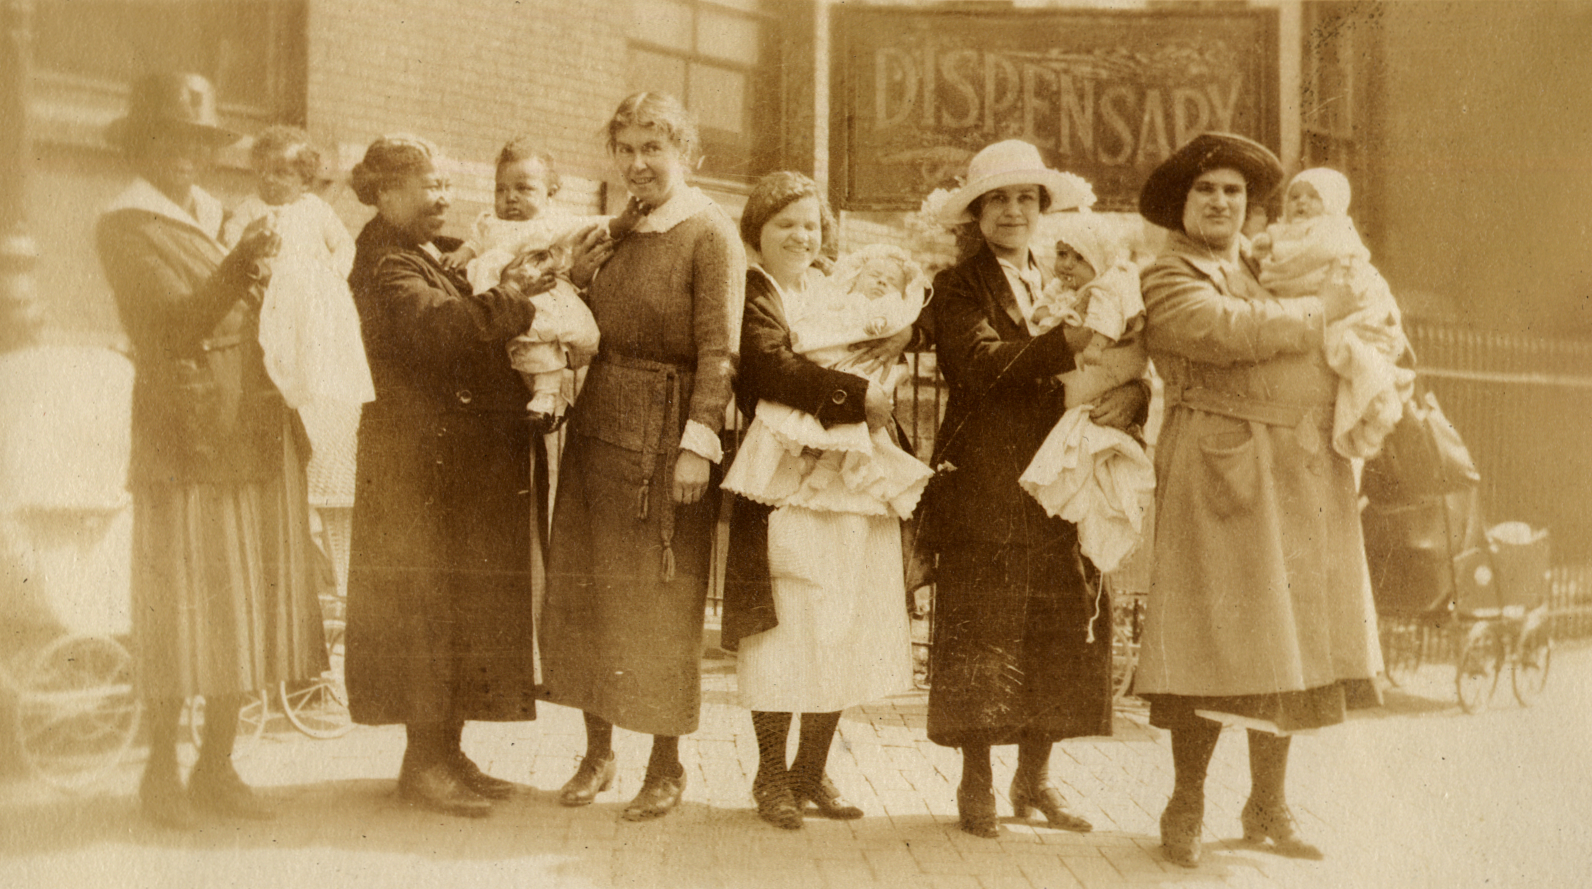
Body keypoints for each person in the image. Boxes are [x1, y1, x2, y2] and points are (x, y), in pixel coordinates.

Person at [1135, 133, 1384, 867]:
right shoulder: (1169, 272)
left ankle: (1267, 803)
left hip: (1294, 469)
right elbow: (1221, 330)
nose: (1221, 202)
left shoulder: (1267, 262)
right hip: (1219, 470)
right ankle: (1185, 802)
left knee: (1286, 638)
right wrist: (1320, 311)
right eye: (1206, 190)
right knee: (1210, 640)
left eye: (1234, 192)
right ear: (1181, 204)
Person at [95, 72, 326, 829]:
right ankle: (160, 774)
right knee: (180, 609)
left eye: (196, 141)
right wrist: (239, 266)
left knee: (244, 602)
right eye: (168, 139)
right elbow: (168, 326)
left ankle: (217, 765)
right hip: (186, 433)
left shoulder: (221, 216)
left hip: (251, 425)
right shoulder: (126, 225)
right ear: (140, 146)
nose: (184, 154)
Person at [921, 139, 1148, 839]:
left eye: (1026, 199)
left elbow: (1121, 357)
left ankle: (1035, 777)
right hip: (989, 481)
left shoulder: (1069, 276)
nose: (1014, 211)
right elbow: (978, 362)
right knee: (986, 625)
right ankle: (977, 779)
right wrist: (1066, 343)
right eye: (999, 200)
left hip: (1064, 481)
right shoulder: (959, 285)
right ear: (977, 212)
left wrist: (1134, 395)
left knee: (1058, 624)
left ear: (1044, 209)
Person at [538, 92, 746, 822]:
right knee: (588, 591)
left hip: (666, 441)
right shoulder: (616, 232)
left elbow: (720, 351)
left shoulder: (710, 233)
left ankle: (665, 764)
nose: (637, 164)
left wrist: (698, 446)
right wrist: (579, 271)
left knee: (661, 604)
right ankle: (597, 753)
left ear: (684, 152)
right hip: (598, 428)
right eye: (624, 149)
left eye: (652, 148)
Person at [343, 134, 551, 818]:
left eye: (445, 185)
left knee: (459, 608)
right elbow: (441, 330)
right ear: (385, 192)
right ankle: (423, 764)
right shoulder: (383, 261)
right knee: (423, 611)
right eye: (429, 185)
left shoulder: (430, 252)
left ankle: (448, 754)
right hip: (415, 469)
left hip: (451, 464)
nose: (443, 197)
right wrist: (513, 295)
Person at [720, 173, 921, 830]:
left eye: (811, 225)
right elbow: (768, 367)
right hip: (786, 478)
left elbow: (889, 316)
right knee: (790, 622)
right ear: (758, 232)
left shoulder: (830, 287)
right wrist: (855, 394)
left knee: (844, 618)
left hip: (851, 481)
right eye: (786, 225)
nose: (802, 237)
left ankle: (811, 769)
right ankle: (771, 773)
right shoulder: (754, 293)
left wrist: (901, 335)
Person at [220, 126, 374, 523]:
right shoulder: (250, 210)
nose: (269, 180)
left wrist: (333, 273)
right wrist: (252, 259)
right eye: (263, 172)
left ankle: (316, 419)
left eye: (281, 173)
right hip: (271, 298)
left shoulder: (316, 210)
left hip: (315, 303)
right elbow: (231, 246)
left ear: (304, 180)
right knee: (278, 360)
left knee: (318, 370)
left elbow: (344, 244)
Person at [440, 140, 643, 430]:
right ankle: (545, 401)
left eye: (523, 189)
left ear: (551, 192)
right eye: (501, 189)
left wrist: (621, 222)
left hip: (539, 300)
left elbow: (589, 225)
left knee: (543, 344)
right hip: (496, 301)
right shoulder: (488, 221)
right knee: (515, 354)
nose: (510, 198)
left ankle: (547, 396)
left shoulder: (551, 223)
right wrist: (462, 254)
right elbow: (474, 242)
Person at [1019, 213, 1155, 574]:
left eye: (1077, 257)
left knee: (1097, 511)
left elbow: (1120, 340)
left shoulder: (1103, 287)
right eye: (1062, 254)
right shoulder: (1055, 286)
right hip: (1024, 455)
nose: (1066, 264)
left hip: (1088, 403)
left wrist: (1137, 393)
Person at [1252, 167, 1413, 459]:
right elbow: (1281, 256)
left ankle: (1378, 403)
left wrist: (1277, 248)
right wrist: (1269, 244)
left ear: (1333, 202)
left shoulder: (1334, 230)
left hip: (1352, 305)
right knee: (1339, 353)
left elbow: (1317, 254)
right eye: (1294, 197)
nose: (1301, 203)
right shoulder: (1282, 232)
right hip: (1322, 306)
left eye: (1313, 196)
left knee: (1350, 348)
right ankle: (1366, 418)